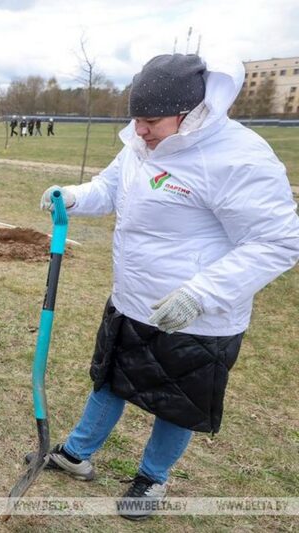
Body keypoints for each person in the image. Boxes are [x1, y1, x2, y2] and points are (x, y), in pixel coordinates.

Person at [38, 53, 299, 520]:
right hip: (132, 297)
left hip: (198, 314)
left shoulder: (241, 158)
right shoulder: (142, 143)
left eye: (150, 121)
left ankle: (151, 479)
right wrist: (74, 196)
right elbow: (111, 188)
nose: (140, 130)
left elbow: (278, 242)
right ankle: (76, 453)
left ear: (190, 112)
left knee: (177, 402)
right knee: (110, 381)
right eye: (136, 119)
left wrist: (201, 294)